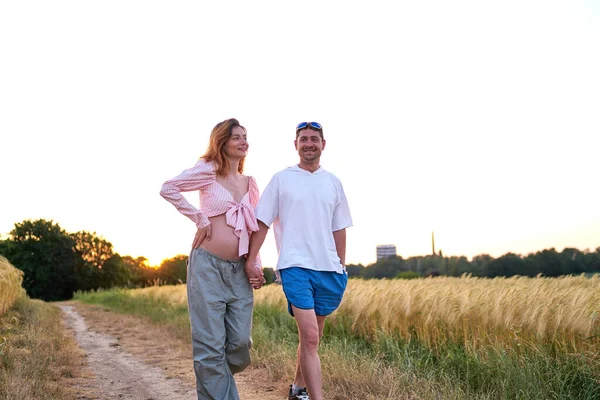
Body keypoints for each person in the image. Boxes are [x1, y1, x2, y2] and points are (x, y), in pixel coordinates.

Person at [245, 121, 352, 400]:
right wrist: (251, 259)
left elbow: (339, 227)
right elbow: (262, 222)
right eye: (303, 139)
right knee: (311, 335)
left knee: (312, 336)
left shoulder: (333, 182)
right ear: (296, 145)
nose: (309, 144)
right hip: (294, 266)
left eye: (314, 139)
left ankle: (297, 389)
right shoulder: (282, 179)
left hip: (328, 268)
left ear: (323, 144)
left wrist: (341, 265)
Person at [160, 118, 265, 400]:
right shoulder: (207, 172)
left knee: (240, 345)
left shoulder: (250, 183)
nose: (244, 142)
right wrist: (199, 217)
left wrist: (255, 262)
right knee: (209, 346)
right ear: (222, 141)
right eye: (237, 137)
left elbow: (252, 226)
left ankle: (214, 379)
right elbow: (168, 188)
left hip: (239, 271)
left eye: (245, 137)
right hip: (207, 266)